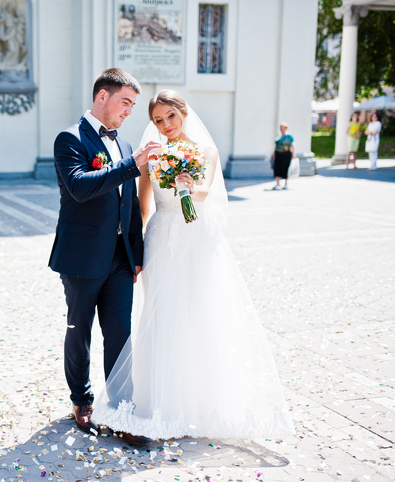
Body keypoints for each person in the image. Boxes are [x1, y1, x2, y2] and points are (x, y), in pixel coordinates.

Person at [93, 89, 294, 440]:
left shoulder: (206, 151)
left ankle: (198, 402)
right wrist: (135, 251)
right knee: (162, 315)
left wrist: (188, 185)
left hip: (196, 236)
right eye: (158, 120)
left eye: (171, 116)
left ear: (183, 112)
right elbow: (142, 206)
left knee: (198, 313)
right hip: (161, 239)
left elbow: (205, 192)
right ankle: (158, 400)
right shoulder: (152, 156)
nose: (166, 125)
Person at [49, 68, 160, 445]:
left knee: (120, 335)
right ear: (102, 97)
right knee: (79, 332)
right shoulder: (69, 138)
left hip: (119, 259)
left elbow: (129, 205)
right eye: (126, 102)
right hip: (80, 257)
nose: (130, 111)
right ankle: (82, 401)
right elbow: (80, 187)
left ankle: (123, 412)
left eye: (133, 104)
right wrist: (132, 165)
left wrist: (137, 252)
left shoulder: (126, 146)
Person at [272, 122, 296, 190]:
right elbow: (276, 145)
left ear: (286, 128)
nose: (281, 129)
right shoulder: (278, 135)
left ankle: (286, 183)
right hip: (278, 153)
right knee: (277, 168)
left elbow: (293, 144)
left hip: (286, 154)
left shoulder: (289, 136)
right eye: (280, 127)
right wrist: (274, 153)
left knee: (285, 168)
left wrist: (294, 153)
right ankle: (277, 183)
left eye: (282, 127)